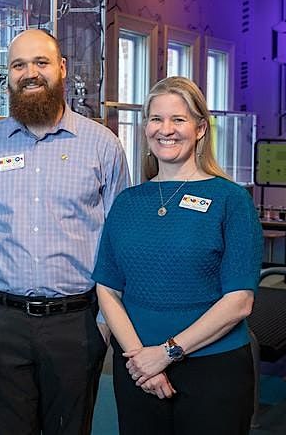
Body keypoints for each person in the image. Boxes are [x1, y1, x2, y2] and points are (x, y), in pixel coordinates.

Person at [0, 28, 131, 435]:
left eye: (41, 62)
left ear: (62, 68)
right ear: (8, 75)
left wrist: (105, 324)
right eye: (19, 65)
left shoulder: (102, 145)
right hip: (1, 325)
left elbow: (120, 242)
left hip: (76, 324)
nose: (30, 73)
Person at [92, 76, 263, 435]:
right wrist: (141, 358)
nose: (165, 129)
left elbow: (239, 302)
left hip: (213, 369)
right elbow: (107, 288)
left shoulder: (231, 200)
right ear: (145, 127)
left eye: (178, 119)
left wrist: (165, 353)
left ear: (200, 129)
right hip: (136, 367)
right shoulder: (127, 202)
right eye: (156, 119)